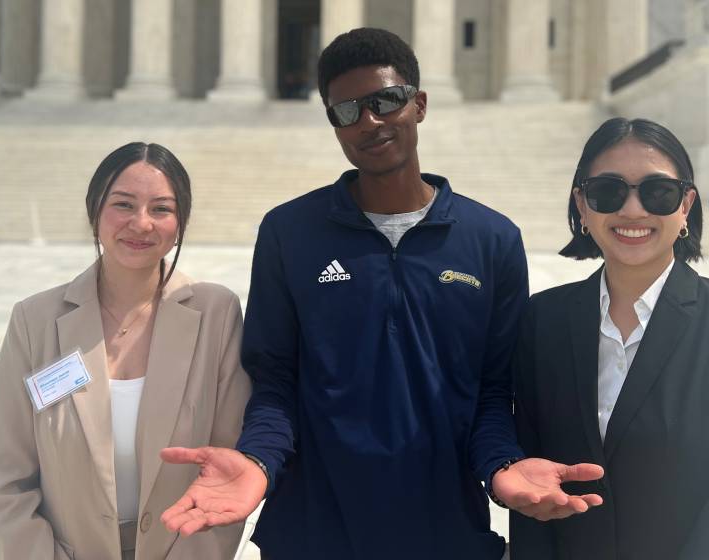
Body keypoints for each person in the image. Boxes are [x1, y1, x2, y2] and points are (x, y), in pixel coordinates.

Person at [159, 28, 602, 559]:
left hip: (446, 536)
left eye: (386, 101)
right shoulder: (290, 232)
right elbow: (274, 382)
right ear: (333, 124)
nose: (369, 121)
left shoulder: (491, 240)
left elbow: (491, 392)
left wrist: (502, 466)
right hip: (311, 536)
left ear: (419, 105)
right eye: (347, 111)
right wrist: (257, 461)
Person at [510, 117, 709, 559]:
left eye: (658, 192)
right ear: (582, 205)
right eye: (608, 191)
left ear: (686, 205)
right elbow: (534, 485)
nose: (633, 210)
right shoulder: (542, 320)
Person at [0, 142, 251, 560]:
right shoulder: (35, 320)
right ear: (95, 212)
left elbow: (227, 465)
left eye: (161, 209)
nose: (141, 223)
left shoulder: (217, 313)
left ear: (181, 223)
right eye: (123, 204)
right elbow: (3, 476)